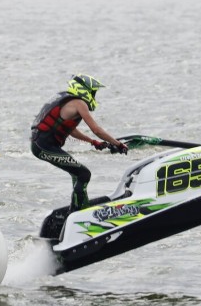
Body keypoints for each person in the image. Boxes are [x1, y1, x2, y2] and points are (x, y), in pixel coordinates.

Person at [31, 74, 128, 213]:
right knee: (83, 174)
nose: (94, 97)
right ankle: (77, 212)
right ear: (84, 90)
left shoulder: (67, 100)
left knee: (77, 173)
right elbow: (97, 129)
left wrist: (92, 142)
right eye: (93, 92)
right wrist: (118, 144)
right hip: (44, 147)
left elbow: (71, 130)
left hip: (40, 145)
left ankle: (79, 207)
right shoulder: (79, 103)